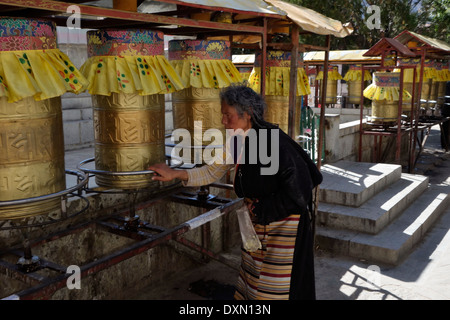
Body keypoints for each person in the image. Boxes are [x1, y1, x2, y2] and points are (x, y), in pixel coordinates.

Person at [149, 83, 320, 300]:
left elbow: (301, 191)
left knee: (278, 289)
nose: (223, 121)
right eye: (222, 115)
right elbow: (212, 171)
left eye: (228, 115)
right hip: (259, 222)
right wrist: (175, 174)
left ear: (247, 114)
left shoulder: (273, 142)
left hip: (285, 227)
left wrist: (262, 208)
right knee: (254, 282)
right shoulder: (238, 141)